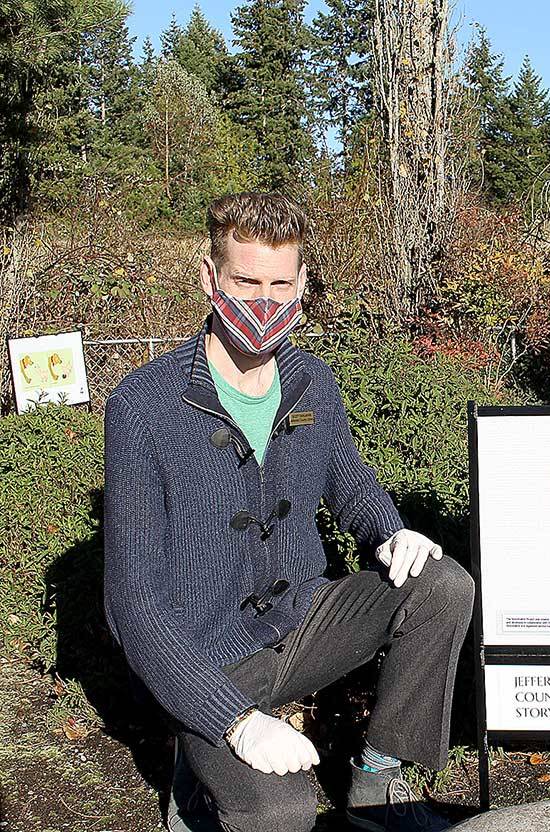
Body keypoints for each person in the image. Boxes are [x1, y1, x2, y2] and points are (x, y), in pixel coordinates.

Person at [102, 192, 474, 832]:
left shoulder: (311, 381)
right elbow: (132, 601)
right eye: (246, 281)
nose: (264, 302)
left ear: (303, 280)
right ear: (209, 276)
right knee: (287, 813)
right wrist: (232, 720)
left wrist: (389, 532)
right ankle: (203, 769)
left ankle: (380, 778)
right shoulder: (145, 403)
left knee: (443, 585)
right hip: (207, 656)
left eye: (281, 283)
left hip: (303, 621)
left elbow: (348, 478)